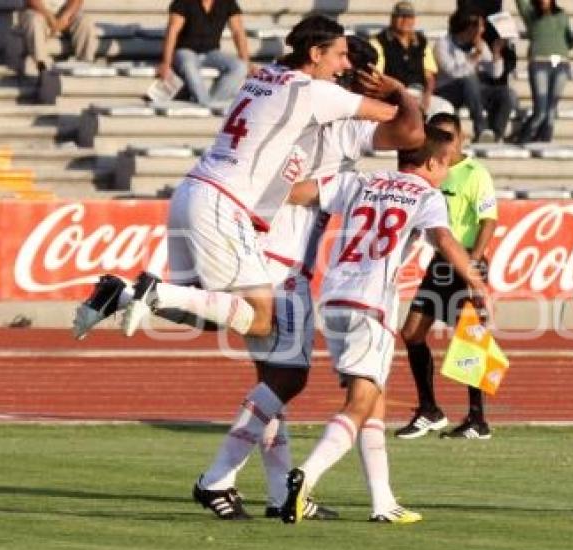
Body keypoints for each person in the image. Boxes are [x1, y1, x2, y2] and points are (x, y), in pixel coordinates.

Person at [193, 36, 426, 521]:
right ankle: (217, 478)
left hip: (250, 243)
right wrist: (398, 91)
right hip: (282, 263)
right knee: (287, 377)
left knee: (274, 384)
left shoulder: (280, 96)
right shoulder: (338, 127)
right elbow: (410, 134)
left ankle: (278, 493)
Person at [73, 16, 397, 345]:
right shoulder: (314, 91)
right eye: (339, 55)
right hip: (222, 203)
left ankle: (121, 294)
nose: (343, 64)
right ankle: (153, 291)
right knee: (259, 318)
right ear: (315, 53)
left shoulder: (267, 73)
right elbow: (395, 120)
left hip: (192, 190)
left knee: (206, 314)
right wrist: (395, 89)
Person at [278, 124, 489, 524]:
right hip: (371, 303)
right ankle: (307, 475)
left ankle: (383, 502)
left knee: (374, 398)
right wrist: (476, 282)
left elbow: (298, 193)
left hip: (334, 297)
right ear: (431, 163)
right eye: (445, 164)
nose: (446, 172)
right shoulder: (426, 194)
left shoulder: (363, 180)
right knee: (359, 403)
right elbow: (444, 241)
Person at [395, 112, 498, 440]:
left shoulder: (474, 173)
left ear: (461, 137)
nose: (445, 142)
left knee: (472, 339)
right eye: (438, 135)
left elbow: (488, 220)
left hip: (466, 259)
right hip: (441, 262)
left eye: (449, 136)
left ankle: (477, 419)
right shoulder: (430, 171)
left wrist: (474, 264)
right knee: (411, 332)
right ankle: (429, 409)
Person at [510, 0, 573, 143]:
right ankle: (522, 139)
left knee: (551, 111)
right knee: (541, 110)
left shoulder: (562, 15)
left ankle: (544, 140)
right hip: (539, 62)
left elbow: (568, 42)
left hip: (561, 63)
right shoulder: (531, 13)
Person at [434, 10, 514, 142]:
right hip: (448, 90)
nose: (482, 31)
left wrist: (496, 55)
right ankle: (480, 127)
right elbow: (454, 73)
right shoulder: (443, 44)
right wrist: (475, 56)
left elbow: (495, 74)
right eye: (480, 27)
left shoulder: (480, 45)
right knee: (470, 80)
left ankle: (495, 135)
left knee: (505, 93)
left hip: (472, 91)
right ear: (469, 28)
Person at [158, 0, 252, 107]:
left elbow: (238, 32)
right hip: (185, 50)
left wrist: (247, 62)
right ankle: (207, 104)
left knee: (240, 66)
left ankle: (208, 103)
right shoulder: (183, 2)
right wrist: (166, 62)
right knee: (188, 64)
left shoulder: (228, 2)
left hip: (212, 52)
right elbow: (172, 31)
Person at [370, 1, 452, 116]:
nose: (405, 20)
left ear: (414, 20)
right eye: (401, 16)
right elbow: (377, 76)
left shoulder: (421, 41)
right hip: (393, 94)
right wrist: (399, 93)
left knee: (444, 108)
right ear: (392, 18)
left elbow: (430, 76)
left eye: (409, 16)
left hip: (419, 93)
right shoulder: (379, 41)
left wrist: (426, 96)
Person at [20, 0, 97, 76]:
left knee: (85, 22)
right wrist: (48, 16)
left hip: (64, 11)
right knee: (34, 22)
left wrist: (66, 16)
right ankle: (42, 69)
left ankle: (84, 66)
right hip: (38, 10)